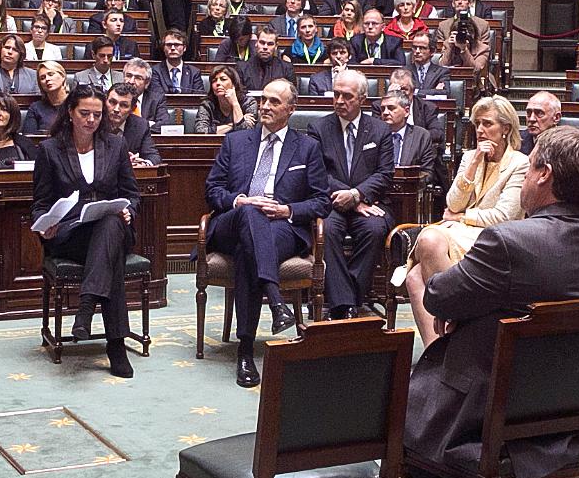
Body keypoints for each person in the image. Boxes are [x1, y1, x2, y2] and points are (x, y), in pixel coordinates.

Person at [402, 127, 579, 478]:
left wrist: (436, 274)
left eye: (531, 163)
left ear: (544, 176)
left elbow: (439, 295)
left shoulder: (508, 241)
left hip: (489, 411)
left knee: (386, 414)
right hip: (566, 412)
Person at [204, 79, 329, 386]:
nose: (265, 107)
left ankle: (245, 350)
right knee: (249, 213)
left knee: (252, 251)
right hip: (231, 223)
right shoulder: (236, 141)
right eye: (263, 101)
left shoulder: (308, 147)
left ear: (291, 109)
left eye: (274, 102)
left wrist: (287, 211)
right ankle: (275, 300)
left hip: (281, 227)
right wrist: (239, 200)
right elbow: (212, 189)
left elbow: (321, 201)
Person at [401, 96, 530, 344]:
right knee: (414, 277)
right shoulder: (471, 157)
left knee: (428, 240)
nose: (480, 130)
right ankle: (436, 351)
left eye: (488, 124)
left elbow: (502, 217)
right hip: (460, 232)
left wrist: (462, 217)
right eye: (477, 124)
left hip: (495, 238)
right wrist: (472, 167)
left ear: (506, 128)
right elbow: (452, 203)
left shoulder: (519, 164)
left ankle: (457, 319)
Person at [33, 88, 139, 378]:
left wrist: (129, 210)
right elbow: (40, 203)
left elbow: (132, 194)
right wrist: (45, 226)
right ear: (70, 112)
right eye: (85, 113)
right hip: (71, 236)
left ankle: (86, 309)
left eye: (97, 114)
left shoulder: (116, 145)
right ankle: (115, 344)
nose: (92, 120)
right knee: (109, 253)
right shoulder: (50, 149)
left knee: (110, 224)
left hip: (115, 230)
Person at [312, 69, 394, 320]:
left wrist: (357, 195)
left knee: (375, 229)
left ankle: (346, 298)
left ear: (362, 99)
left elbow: (384, 174)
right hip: (331, 203)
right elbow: (317, 173)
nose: (339, 101)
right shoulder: (319, 127)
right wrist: (347, 196)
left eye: (347, 96)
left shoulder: (379, 130)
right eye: (336, 94)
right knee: (326, 231)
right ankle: (346, 303)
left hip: (370, 203)